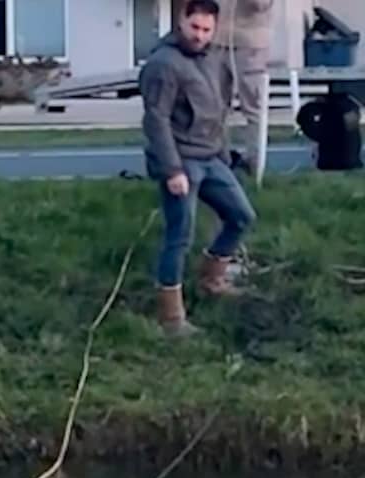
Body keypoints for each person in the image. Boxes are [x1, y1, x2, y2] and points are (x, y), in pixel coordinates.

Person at [139, 0, 258, 338]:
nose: (200, 35)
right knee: (180, 235)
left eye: (207, 30)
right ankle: (171, 317)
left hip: (211, 158)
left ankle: (211, 279)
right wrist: (172, 169)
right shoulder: (164, 64)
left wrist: (223, 155)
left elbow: (218, 112)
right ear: (182, 21)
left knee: (242, 217)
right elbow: (156, 120)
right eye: (195, 27)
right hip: (181, 162)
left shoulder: (214, 59)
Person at [213, 0, 275, 177]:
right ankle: (219, 162)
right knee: (215, 105)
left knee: (253, 106)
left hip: (250, 44)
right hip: (216, 40)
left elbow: (260, 5)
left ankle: (256, 164)